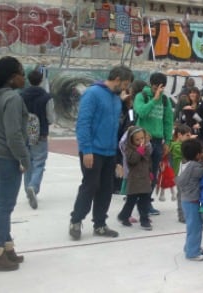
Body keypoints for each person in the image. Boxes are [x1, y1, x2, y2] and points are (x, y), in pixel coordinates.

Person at [69, 65, 133, 240]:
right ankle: (76, 220)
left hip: (109, 152)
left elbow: (116, 128)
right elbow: (83, 123)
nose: (126, 88)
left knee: (106, 189)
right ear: (117, 79)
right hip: (93, 151)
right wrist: (86, 149)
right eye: (125, 83)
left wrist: (118, 157)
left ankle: (100, 224)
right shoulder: (93, 94)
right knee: (90, 186)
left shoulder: (115, 98)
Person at [0, 56, 30, 272]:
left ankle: (6, 248)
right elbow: (14, 135)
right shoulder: (12, 98)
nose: (24, 77)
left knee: (4, 204)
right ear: (12, 78)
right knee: (4, 206)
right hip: (5, 157)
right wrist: (25, 158)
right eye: (21, 73)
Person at [134, 72, 174, 216]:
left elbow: (168, 121)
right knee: (141, 174)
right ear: (152, 84)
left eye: (162, 87)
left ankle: (146, 202)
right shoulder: (141, 96)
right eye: (157, 86)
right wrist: (154, 100)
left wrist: (168, 141)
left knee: (153, 174)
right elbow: (141, 112)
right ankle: (137, 202)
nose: (159, 90)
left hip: (157, 141)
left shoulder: (165, 100)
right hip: (142, 142)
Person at [21, 69, 55, 209]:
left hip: (23, 134)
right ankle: (33, 187)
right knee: (39, 162)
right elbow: (50, 118)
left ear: (28, 79)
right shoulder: (46, 97)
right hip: (40, 133)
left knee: (27, 161)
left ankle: (28, 188)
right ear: (41, 80)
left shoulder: (20, 95)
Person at [117, 126, 153, 230]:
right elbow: (132, 160)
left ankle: (144, 220)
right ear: (131, 140)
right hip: (134, 179)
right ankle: (123, 216)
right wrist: (139, 151)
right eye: (137, 139)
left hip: (145, 178)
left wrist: (150, 172)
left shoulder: (146, 148)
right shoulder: (129, 149)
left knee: (145, 200)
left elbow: (148, 161)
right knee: (131, 201)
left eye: (142, 138)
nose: (140, 141)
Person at [176, 138, 203, 261]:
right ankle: (193, 252)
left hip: (185, 200)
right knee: (195, 227)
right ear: (198, 154)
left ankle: (189, 247)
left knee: (191, 225)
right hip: (191, 201)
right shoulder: (195, 166)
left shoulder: (185, 163)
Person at [115, 80, 147, 197]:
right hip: (125, 133)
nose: (129, 90)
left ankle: (124, 187)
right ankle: (121, 186)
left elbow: (131, 120)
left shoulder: (136, 105)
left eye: (131, 88)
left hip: (130, 135)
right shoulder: (130, 103)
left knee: (127, 161)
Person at [169, 124, 195, 223]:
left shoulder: (183, 145)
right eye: (187, 135)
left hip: (184, 174)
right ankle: (182, 215)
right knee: (182, 195)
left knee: (185, 194)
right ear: (179, 135)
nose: (190, 137)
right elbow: (186, 153)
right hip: (179, 175)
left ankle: (185, 213)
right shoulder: (176, 146)